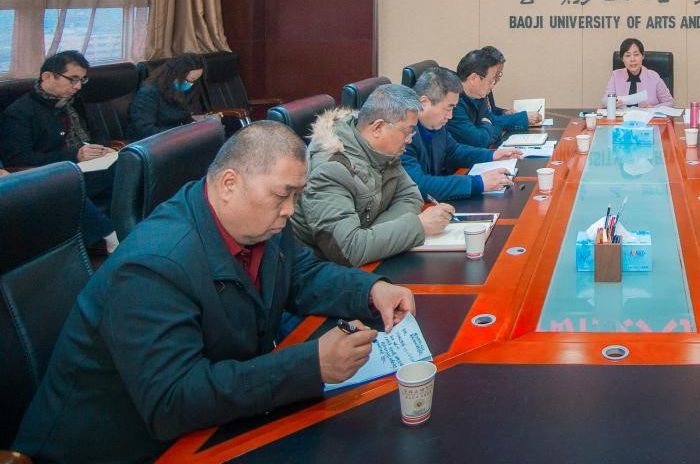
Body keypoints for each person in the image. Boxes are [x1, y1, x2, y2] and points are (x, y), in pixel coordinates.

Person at [14, 122, 417, 463]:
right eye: (283, 195)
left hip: (209, 425)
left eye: (297, 194)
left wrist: (370, 289)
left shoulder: (260, 224)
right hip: (118, 447)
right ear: (228, 184)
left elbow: (301, 275)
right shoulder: (152, 267)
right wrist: (310, 365)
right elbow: (172, 401)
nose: (291, 209)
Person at [290, 84, 455, 267]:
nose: (410, 140)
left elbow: (410, 195)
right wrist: (418, 226)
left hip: (367, 263)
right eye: (407, 132)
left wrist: (372, 236)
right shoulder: (331, 169)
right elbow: (348, 250)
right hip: (323, 272)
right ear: (378, 128)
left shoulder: (382, 150)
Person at [0, 50, 116, 246]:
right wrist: (74, 155)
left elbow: (96, 132)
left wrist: (104, 149)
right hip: (56, 173)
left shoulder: (75, 102)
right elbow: (18, 160)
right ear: (47, 77)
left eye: (82, 80)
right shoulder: (20, 113)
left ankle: (138, 225)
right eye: (73, 79)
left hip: (93, 165)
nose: (78, 86)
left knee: (132, 167)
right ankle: (108, 238)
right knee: (67, 186)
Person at [402, 66, 522, 200]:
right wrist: (478, 183)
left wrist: (492, 155)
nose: (450, 116)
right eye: (448, 108)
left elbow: (454, 151)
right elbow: (418, 186)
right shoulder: (402, 134)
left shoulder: (435, 124)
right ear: (424, 102)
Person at [449, 47, 542, 149]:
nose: (493, 85)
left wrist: (486, 129)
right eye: (491, 80)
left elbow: (495, 122)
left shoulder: (478, 96)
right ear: (474, 78)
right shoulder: (453, 103)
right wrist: (487, 125)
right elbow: (479, 141)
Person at [127, 52, 206, 140]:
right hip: (151, 141)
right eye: (190, 80)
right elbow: (145, 130)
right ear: (176, 74)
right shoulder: (149, 92)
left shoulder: (182, 90)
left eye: (194, 81)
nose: (191, 84)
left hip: (175, 138)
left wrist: (193, 126)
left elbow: (184, 117)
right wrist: (180, 133)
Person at [602, 37, 674, 108]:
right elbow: (605, 100)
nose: (632, 59)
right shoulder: (616, 75)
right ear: (622, 59)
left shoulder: (654, 77)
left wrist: (653, 108)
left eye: (636, 54)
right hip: (622, 116)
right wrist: (613, 102)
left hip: (647, 115)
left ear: (642, 56)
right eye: (628, 55)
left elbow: (669, 102)